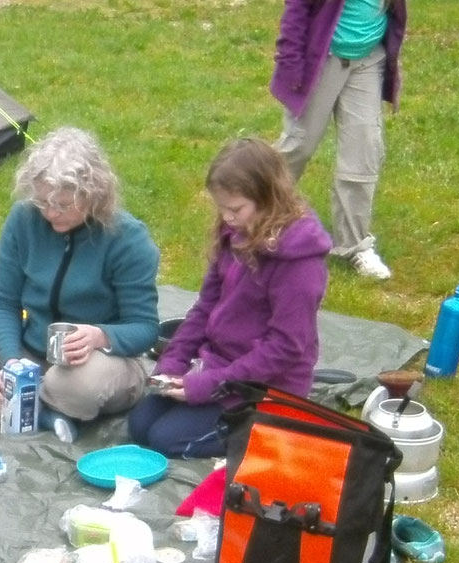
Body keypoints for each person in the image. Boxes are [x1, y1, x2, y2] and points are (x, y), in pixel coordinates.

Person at [0, 127, 159, 442]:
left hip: (98, 363)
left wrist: (101, 336)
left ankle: (24, 404)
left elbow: (145, 328)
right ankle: (32, 410)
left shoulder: (127, 240)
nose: (51, 213)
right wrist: (10, 360)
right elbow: (4, 302)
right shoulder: (24, 219)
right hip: (31, 350)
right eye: (43, 202)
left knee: (71, 387)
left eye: (64, 205)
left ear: (94, 194)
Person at [128, 137, 331, 459]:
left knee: (164, 440)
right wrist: (172, 364)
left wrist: (208, 385)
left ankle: (265, 426)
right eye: (221, 208)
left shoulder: (300, 263)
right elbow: (205, 306)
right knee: (139, 425)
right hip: (218, 365)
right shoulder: (233, 234)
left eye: (235, 209)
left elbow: (286, 347)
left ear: (268, 198)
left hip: (265, 386)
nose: (227, 218)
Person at [271, 0, 425, 281]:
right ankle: (258, 223)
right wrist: (290, 62)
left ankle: (354, 245)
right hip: (322, 60)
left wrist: (393, 60)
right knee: (297, 147)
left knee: (363, 153)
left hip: (367, 62)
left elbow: (393, 9)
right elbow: (298, 1)